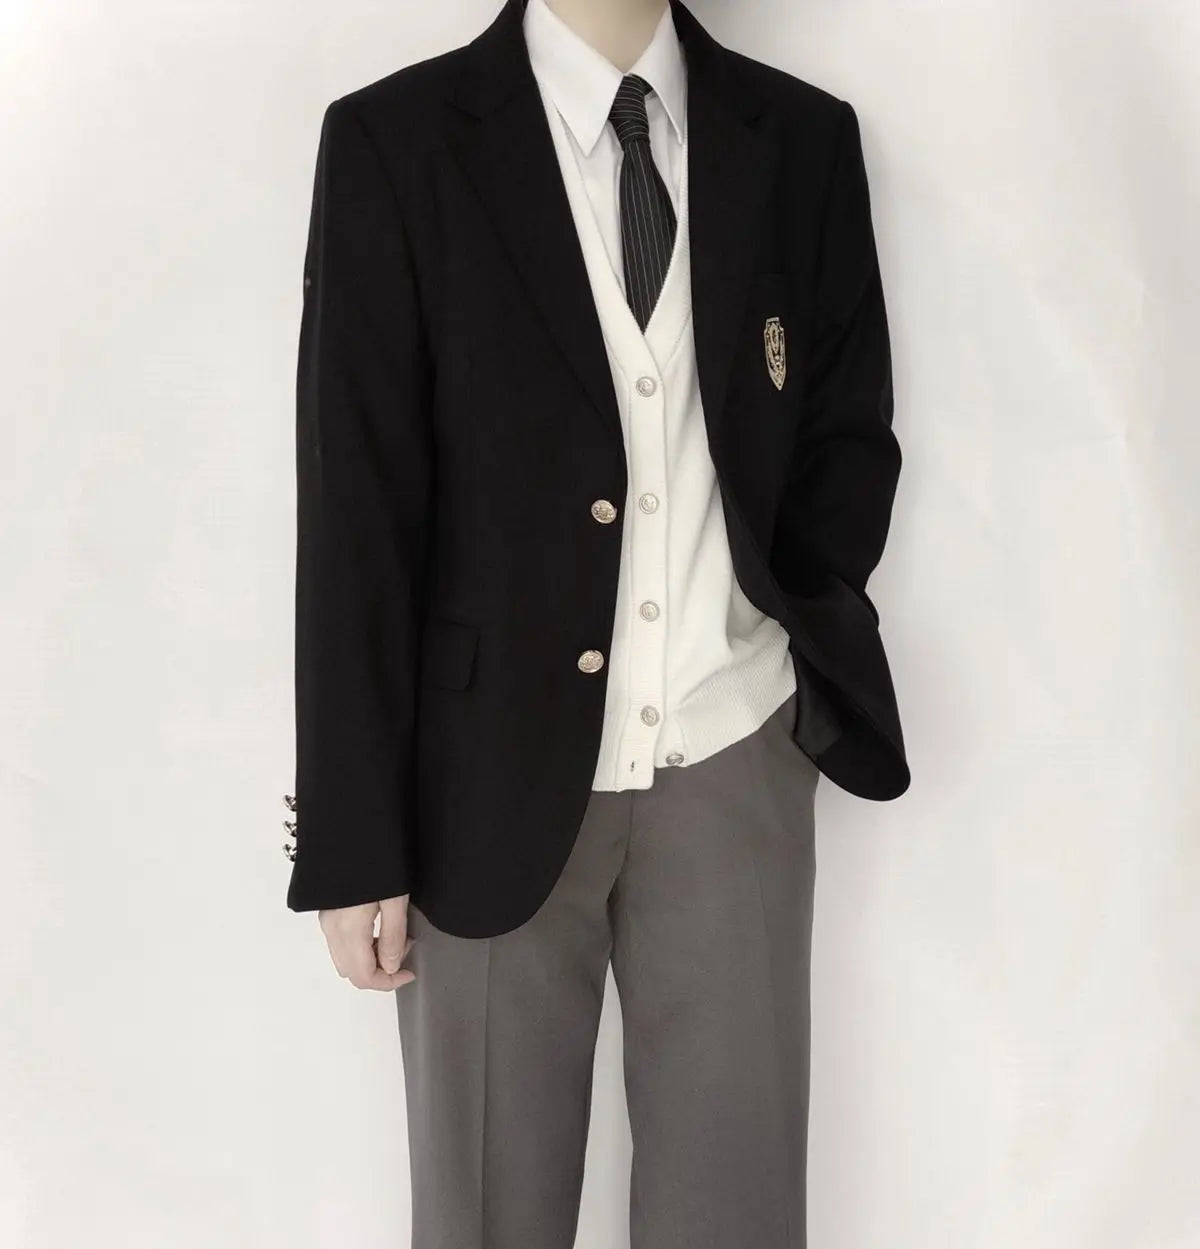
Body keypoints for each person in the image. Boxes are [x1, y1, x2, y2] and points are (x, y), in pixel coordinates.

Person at [283, 0, 908, 1245]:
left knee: (736, 1215)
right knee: (485, 1214)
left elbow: (847, 442)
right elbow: (357, 509)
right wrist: (354, 840)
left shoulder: (800, 139)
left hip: (734, 753)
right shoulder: (397, 141)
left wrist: (777, 627)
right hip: (480, 780)